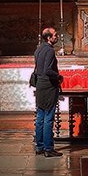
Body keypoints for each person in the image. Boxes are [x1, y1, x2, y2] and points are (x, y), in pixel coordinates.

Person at [33, 27, 64, 157]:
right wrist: (59, 77)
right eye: (55, 35)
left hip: (40, 85)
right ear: (49, 38)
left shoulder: (39, 49)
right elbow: (47, 70)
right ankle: (48, 148)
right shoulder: (50, 51)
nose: (57, 37)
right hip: (48, 86)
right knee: (48, 119)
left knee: (40, 117)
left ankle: (39, 147)